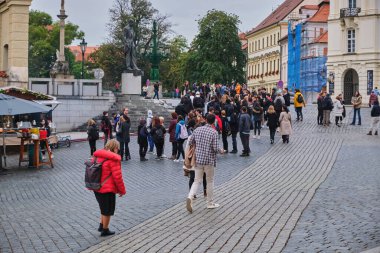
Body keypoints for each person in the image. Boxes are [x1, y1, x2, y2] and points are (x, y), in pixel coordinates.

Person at [186, 114, 223, 213]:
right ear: (213, 121)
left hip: (199, 159)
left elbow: (190, 142)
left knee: (196, 180)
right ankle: (210, 203)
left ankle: (190, 196)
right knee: (210, 181)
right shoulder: (214, 132)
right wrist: (221, 151)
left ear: (206, 120)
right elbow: (215, 148)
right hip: (209, 160)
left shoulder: (197, 130)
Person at [92, 139, 126, 236]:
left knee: (103, 208)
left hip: (97, 186)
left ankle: (101, 225)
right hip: (107, 189)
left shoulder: (98, 156)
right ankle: (105, 230)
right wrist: (122, 191)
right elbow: (118, 177)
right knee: (108, 210)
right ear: (115, 148)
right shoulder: (114, 159)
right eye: (117, 148)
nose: (118, 150)